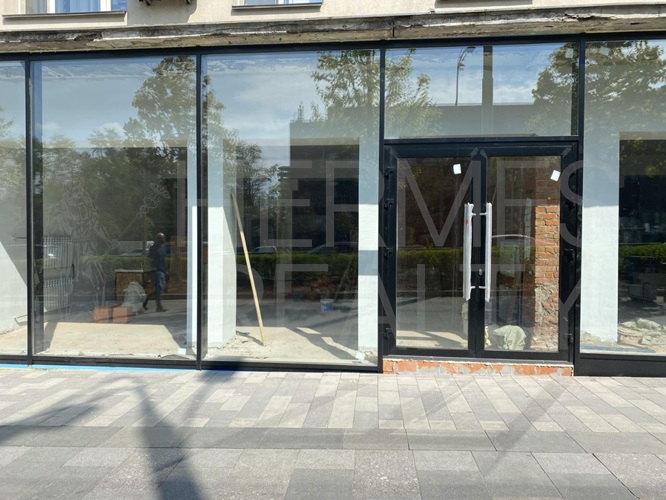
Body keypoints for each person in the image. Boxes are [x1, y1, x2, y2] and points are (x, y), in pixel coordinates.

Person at [143, 232, 167, 312]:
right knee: (158, 288)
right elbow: (150, 259)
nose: (163, 239)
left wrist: (166, 271)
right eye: (161, 238)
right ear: (157, 239)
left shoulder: (163, 247)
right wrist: (148, 271)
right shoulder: (153, 248)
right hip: (155, 271)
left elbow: (163, 260)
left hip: (162, 270)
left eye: (163, 238)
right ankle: (159, 306)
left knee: (158, 289)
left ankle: (144, 302)